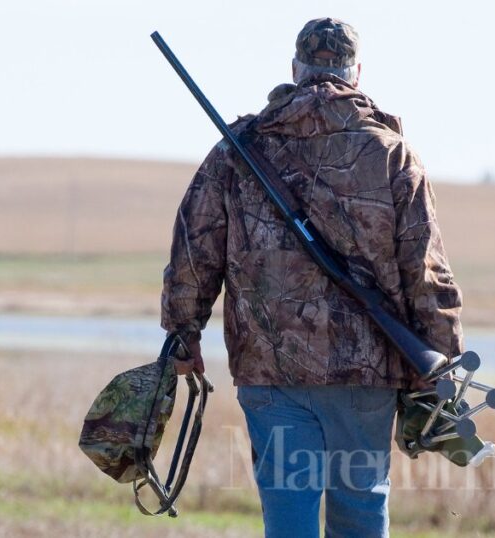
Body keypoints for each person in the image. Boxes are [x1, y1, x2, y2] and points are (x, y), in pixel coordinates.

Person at [159, 18, 463, 538]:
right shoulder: (392, 154)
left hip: (270, 369)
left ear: (296, 70)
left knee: (288, 514)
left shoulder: (239, 148)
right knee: (361, 510)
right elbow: (425, 270)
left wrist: (183, 333)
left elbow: (195, 248)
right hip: (365, 370)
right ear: (357, 73)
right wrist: (440, 361)